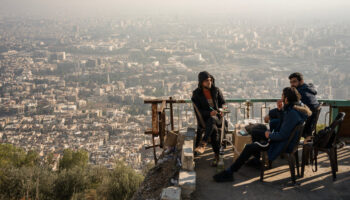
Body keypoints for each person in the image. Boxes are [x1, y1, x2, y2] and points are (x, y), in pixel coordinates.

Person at [213, 87, 311, 182]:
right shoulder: (296, 108)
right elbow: (285, 123)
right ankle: (256, 161)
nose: (281, 98)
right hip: (285, 141)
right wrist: (280, 110)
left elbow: (282, 135)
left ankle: (230, 172)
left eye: (282, 96)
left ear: (286, 99)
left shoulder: (292, 114)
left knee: (249, 147)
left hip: (280, 144)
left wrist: (269, 135)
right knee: (255, 131)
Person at [192, 71, 226, 166]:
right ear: (201, 82)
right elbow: (198, 111)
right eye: (207, 81)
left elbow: (223, 103)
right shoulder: (197, 94)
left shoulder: (216, 90)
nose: (209, 82)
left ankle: (203, 143)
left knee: (213, 120)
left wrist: (222, 110)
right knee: (214, 128)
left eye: (210, 80)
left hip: (218, 118)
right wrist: (209, 113)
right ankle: (216, 154)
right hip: (205, 119)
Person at [289, 72, 320, 139]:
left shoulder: (299, 92)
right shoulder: (308, 87)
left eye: (294, 82)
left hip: (305, 124)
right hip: (311, 121)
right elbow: (312, 85)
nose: (292, 84)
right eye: (291, 82)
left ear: (301, 81)